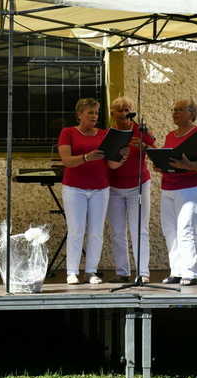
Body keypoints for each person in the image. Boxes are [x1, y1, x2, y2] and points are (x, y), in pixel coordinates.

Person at [58, 98, 127, 285]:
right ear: (79, 114)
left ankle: (91, 271)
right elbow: (66, 161)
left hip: (100, 188)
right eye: (90, 113)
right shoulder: (68, 132)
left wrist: (122, 158)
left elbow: (112, 164)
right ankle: (72, 272)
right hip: (74, 188)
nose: (94, 116)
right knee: (76, 230)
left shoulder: (104, 134)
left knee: (96, 231)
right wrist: (87, 157)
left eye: (96, 113)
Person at [157, 99, 197, 286]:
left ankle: (190, 272)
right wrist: (161, 165)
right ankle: (177, 271)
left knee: (186, 228)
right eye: (174, 110)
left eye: (180, 110)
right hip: (169, 187)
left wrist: (189, 165)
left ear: (191, 113)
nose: (175, 113)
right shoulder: (170, 135)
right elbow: (170, 159)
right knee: (170, 230)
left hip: (191, 187)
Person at [107, 97, 156, 284]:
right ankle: (122, 271)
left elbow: (155, 151)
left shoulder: (140, 130)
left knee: (139, 229)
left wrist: (143, 144)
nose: (124, 112)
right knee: (118, 231)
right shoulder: (109, 132)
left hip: (138, 184)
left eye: (127, 109)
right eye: (119, 110)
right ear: (113, 113)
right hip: (114, 186)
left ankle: (143, 272)